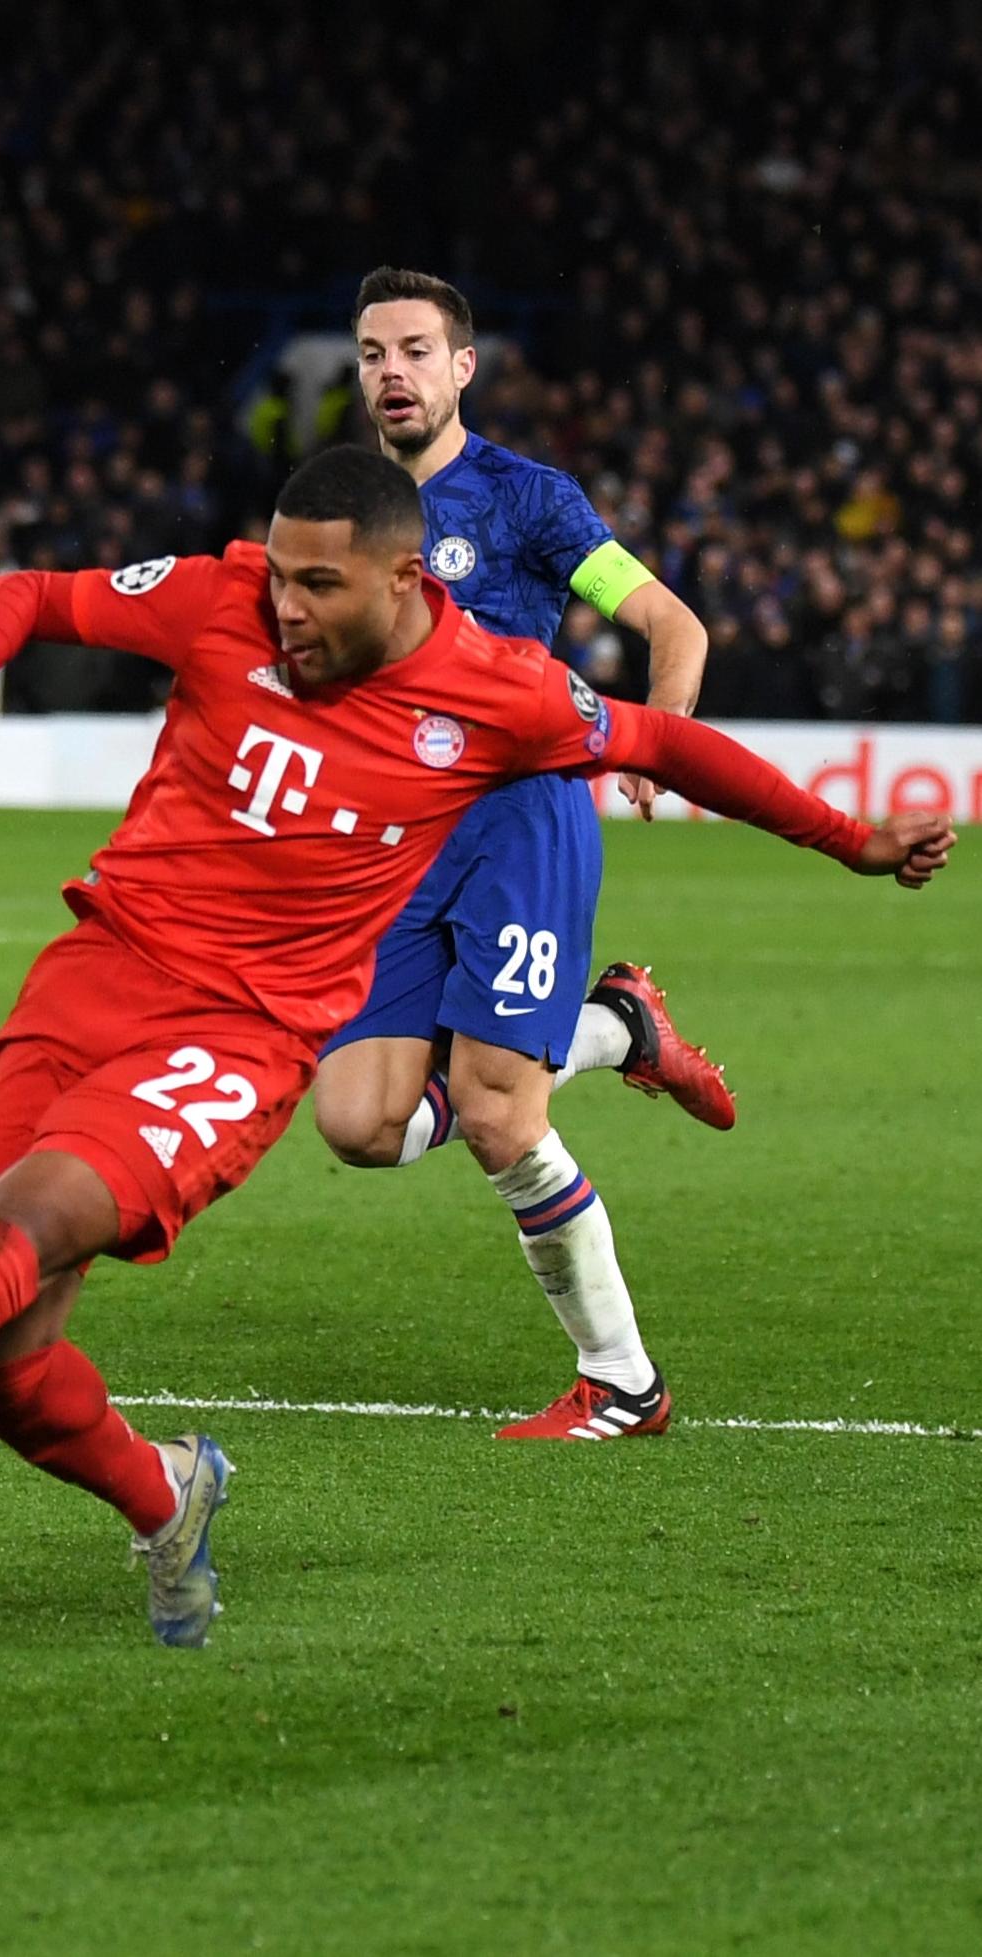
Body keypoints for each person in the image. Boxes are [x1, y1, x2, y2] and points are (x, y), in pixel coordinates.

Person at [0, 447, 953, 1648]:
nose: (283, 610)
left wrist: (853, 838)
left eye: (315, 585)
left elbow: (667, 741)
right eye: (277, 576)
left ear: (401, 578)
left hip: (236, 1039)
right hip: (88, 984)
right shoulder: (215, 598)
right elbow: (22, 594)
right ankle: (164, 1493)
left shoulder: (493, 693)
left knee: (14, 1237)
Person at [310, 268, 724, 1442]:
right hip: (398, 839)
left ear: (460, 369)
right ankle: (618, 1030)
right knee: (358, 1125)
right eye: (370, 353)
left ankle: (621, 1382)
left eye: (412, 351)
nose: (390, 371)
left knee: (497, 1117)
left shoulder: (530, 502)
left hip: (518, 821)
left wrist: (665, 737)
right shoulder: (339, 512)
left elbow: (668, 624)